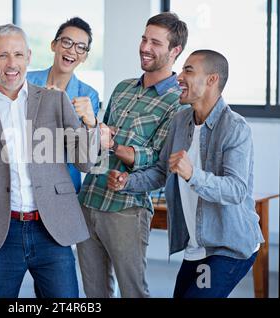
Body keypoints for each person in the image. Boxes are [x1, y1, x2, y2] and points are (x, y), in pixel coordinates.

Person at [0, 24, 99, 298]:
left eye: (17, 55)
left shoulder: (54, 101)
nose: (11, 64)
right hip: (1, 233)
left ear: (28, 56)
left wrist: (91, 124)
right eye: (2, 56)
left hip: (52, 230)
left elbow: (85, 163)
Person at [108, 49, 264, 298]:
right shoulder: (181, 121)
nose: (179, 76)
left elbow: (237, 190)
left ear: (212, 79)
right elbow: (162, 171)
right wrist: (128, 181)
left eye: (188, 70)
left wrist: (193, 174)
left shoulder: (235, 128)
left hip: (228, 247)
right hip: (197, 247)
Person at [77, 12, 188, 298]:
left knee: (133, 291)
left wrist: (112, 144)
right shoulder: (123, 88)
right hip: (90, 200)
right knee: (94, 293)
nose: (145, 47)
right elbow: (101, 144)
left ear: (175, 51)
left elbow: (157, 158)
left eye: (155, 42)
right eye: (144, 38)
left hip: (126, 208)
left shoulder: (178, 102)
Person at [27, 16, 100, 193]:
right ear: (54, 45)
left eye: (81, 47)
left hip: (63, 189)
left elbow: (85, 157)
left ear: (84, 56)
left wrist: (89, 124)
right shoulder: (26, 81)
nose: (72, 51)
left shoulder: (88, 96)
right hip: (26, 185)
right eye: (67, 42)